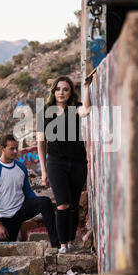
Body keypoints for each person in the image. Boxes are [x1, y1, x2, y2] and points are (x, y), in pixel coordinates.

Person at [37, 75, 93, 254]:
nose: (61, 92)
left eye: (66, 89)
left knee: (74, 205)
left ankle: (70, 240)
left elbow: (86, 109)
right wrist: (44, 171)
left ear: (70, 92)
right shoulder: (44, 112)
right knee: (62, 204)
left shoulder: (74, 109)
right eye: (58, 89)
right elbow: (41, 143)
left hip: (78, 163)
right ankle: (62, 246)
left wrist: (86, 87)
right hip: (56, 163)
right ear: (53, 91)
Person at [0, 134, 60, 248]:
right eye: (11, 149)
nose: (15, 151)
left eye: (16, 148)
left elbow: (28, 191)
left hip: (22, 208)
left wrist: (36, 205)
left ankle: (56, 245)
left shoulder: (21, 167)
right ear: (2, 149)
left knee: (45, 202)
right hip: (6, 217)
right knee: (6, 251)